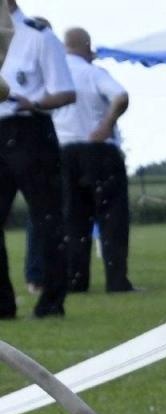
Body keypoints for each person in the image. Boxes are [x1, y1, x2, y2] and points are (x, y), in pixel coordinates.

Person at [0, 0, 72, 320]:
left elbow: (65, 92)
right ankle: (2, 303)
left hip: (30, 129)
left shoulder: (38, 36)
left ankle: (52, 301)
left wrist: (34, 101)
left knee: (47, 219)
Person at [53, 27, 134, 294]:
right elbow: (120, 96)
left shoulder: (55, 73)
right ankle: (116, 281)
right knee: (111, 217)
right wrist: (106, 124)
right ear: (87, 46)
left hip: (65, 152)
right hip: (99, 151)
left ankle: (76, 281)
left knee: (74, 220)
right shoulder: (92, 73)